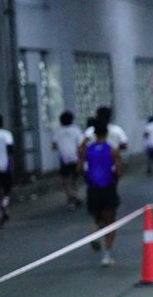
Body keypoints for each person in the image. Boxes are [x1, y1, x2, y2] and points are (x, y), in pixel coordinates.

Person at [78, 120, 123, 267]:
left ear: (94, 134)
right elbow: (119, 171)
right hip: (108, 188)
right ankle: (107, 255)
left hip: (93, 190)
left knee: (98, 219)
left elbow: (79, 169)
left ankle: (94, 230)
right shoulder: (112, 150)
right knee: (111, 222)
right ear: (107, 133)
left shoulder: (87, 150)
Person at [51, 111, 84, 209]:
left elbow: (54, 145)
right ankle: (74, 194)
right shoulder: (76, 130)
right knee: (75, 177)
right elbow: (81, 143)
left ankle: (70, 198)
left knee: (65, 179)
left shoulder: (58, 131)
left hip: (63, 158)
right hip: (75, 157)